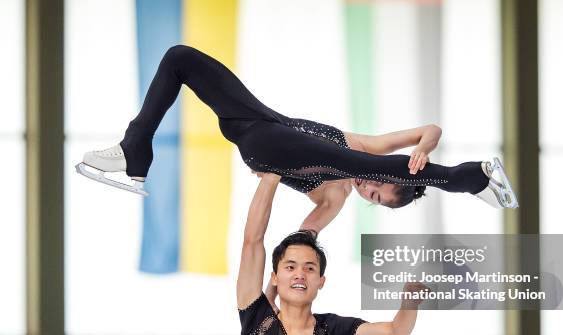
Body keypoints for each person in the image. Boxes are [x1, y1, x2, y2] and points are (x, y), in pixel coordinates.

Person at [75, 44, 518, 231]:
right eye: (383, 188)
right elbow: (431, 129)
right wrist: (423, 147)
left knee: (354, 164)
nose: (371, 192)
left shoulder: (333, 200)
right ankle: (135, 152)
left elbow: (301, 241)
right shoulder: (368, 148)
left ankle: (475, 179)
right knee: (180, 58)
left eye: (377, 199)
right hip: (252, 121)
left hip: (263, 149)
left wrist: (282, 279)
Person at [236, 171, 427, 335]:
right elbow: (252, 241)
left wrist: (410, 300)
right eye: (291, 266)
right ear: (274, 277)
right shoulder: (255, 318)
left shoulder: (336, 332)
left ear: (321, 281)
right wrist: (271, 176)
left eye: (309, 268)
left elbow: (396, 332)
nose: (299, 274)